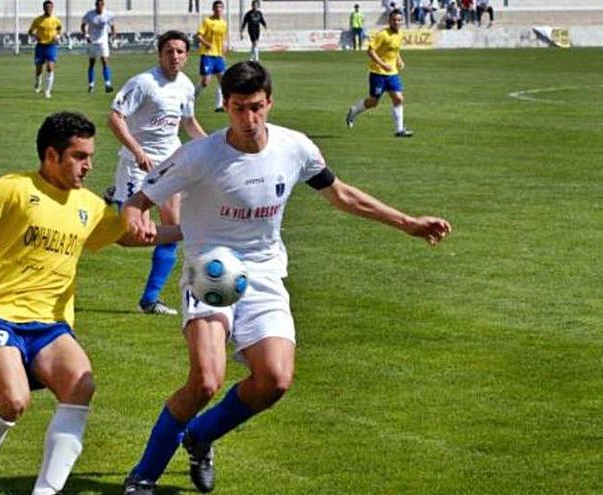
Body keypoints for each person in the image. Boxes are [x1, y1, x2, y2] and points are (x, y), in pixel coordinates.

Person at [119, 61, 451, 495]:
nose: (249, 119)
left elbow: (343, 196)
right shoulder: (199, 156)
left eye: (257, 107)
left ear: (270, 102)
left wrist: (407, 222)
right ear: (227, 105)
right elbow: (137, 200)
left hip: (265, 272)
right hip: (210, 270)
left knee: (275, 380)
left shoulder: (296, 148)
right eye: (238, 108)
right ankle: (143, 476)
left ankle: (201, 436)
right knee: (205, 380)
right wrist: (136, 218)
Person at [0, 112, 182, 495]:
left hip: (50, 325)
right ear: (51, 155)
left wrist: (193, 230)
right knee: (12, 401)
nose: (88, 165)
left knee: (81, 385)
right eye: (78, 156)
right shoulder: (13, 190)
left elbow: (126, 235)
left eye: (90, 155)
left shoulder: (87, 205)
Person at [107, 30, 207, 315]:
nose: (175, 56)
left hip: (171, 166)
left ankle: (150, 300)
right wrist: (138, 150)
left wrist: (215, 148)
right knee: (134, 233)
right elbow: (115, 118)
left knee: (172, 229)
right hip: (137, 166)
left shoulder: (187, 86)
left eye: (180, 52)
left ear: (187, 56)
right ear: (159, 54)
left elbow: (188, 124)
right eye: (169, 51)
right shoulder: (144, 83)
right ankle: (117, 197)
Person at [345, 9, 414, 138]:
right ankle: (353, 111)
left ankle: (399, 130)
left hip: (392, 73)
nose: (397, 22)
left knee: (398, 98)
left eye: (399, 20)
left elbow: (394, 50)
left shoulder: (399, 34)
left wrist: (399, 60)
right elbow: (370, 51)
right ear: (389, 21)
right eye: (394, 20)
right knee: (373, 102)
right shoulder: (382, 34)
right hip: (378, 73)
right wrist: (382, 64)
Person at [196, 0, 228, 112]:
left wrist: (224, 50)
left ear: (222, 9)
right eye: (216, 7)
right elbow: (199, 36)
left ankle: (219, 105)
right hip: (207, 54)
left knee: (223, 81)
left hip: (218, 56)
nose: (218, 9)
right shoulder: (207, 21)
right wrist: (206, 43)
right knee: (205, 82)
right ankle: (191, 99)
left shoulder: (224, 23)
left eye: (220, 7)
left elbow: (223, 39)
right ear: (213, 9)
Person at [28, 0, 62, 99]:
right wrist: (35, 36)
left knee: (50, 67)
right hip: (40, 46)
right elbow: (30, 31)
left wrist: (58, 36)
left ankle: (47, 91)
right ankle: (38, 82)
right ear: (44, 8)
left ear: (53, 8)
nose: (49, 9)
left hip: (51, 46)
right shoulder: (38, 20)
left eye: (50, 7)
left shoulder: (56, 20)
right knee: (39, 68)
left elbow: (59, 29)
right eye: (47, 7)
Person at [81, 0, 116, 93]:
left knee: (105, 61)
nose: (99, 6)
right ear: (95, 5)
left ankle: (108, 84)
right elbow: (83, 25)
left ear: (103, 5)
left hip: (103, 41)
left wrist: (113, 37)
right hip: (92, 41)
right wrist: (86, 35)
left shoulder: (108, 14)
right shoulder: (89, 14)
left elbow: (112, 27)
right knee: (92, 63)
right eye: (97, 4)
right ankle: (91, 85)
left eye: (101, 4)